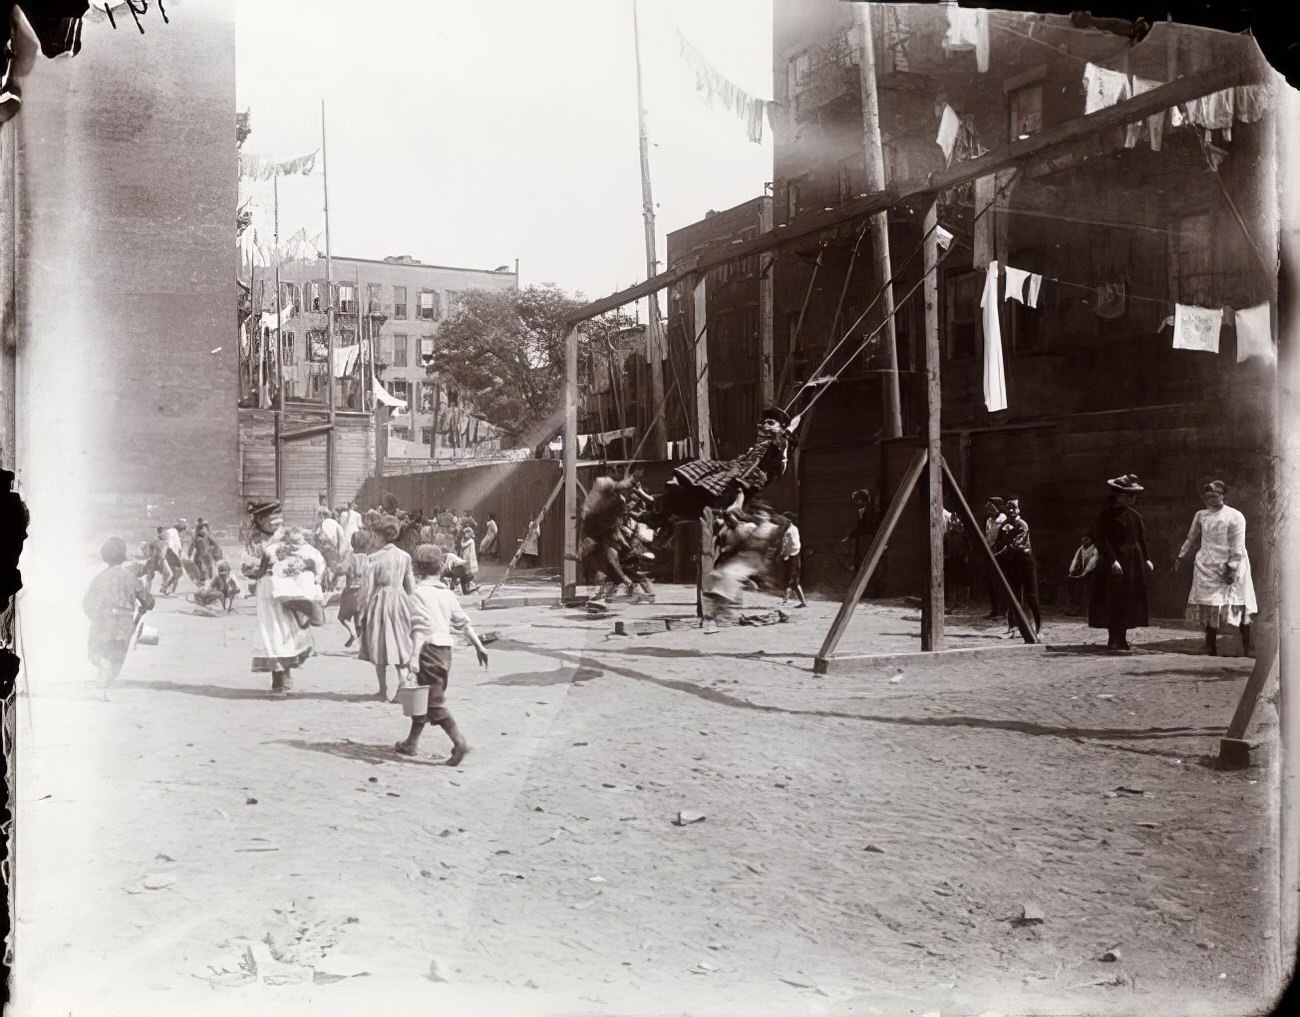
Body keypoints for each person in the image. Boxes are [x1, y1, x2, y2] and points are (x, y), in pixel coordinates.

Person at [393, 544, 489, 766]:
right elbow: (462, 622)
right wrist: (478, 646)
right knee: (425, 697)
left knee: (434, 703)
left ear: (417, 569)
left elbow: (420, 628)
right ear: (441, 568)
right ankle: (411, 742)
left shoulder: (417, 594)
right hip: (446, 651)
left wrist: (415, 656)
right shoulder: (446, 593)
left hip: (428, 650)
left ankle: (459, 742)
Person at [658, 407, 799, 522]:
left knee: (741, 479)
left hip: (754, 471)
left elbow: (780, 462)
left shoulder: (779, 444)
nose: (764, 426)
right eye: (764, 422)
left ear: (781, 428)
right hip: (738, 465)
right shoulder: (760, 442)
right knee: (707, 465)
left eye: (770, 423)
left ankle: (735, 505)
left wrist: (788, 432)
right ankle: (679, 481)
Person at [242, 502, 321, 694]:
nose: (276, 524)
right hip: (268, 589)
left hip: (288, 585)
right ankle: (279, 678)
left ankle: (285, 675)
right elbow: (247, 566)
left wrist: (298, 566)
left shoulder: (288, 537)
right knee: (272, 631)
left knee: (288, 628)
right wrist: (259, 568)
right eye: (271, 520)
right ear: (260, 521)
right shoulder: (254, 541)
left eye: (278, 519)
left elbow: (304, 554)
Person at [1175, 480, 1257, 656]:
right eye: (1208, 497)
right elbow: (1191, 537)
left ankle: (1247, 646)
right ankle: (1210, 644)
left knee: (1237, 603)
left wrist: (1233, 566)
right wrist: (1182, 555)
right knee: (1209, 604)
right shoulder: (1201, 515)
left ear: (1223, 496)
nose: (1211, 500)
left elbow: (1238, 543)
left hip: (1229, 563)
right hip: (1206, 564)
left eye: (1215, 496)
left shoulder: (1235, 516)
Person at [1088, 474, 1155, 652]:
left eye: (1132, 496)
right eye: (1127, 495)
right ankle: (1113, 638)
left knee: (1128, 599)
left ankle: (1123, 638)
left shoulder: (1135, 516)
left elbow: (1141, 539)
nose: (1131, 499)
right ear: (1117, 495)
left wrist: (1147, 558)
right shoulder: (1105, 516)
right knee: (1114, 599)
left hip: (1134, 561)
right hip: (1115, 563)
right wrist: (1113, 561)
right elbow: (1102, 541)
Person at [83, 537, 155, 698]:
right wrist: (148, 603)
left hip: (103, 619)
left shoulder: (99, 578)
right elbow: (148, 601)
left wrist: (96, 618)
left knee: (95, 653)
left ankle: (102, 673)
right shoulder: (130, 577)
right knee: (117, 657)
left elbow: (87, 603)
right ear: (123, 557)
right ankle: (105, 685)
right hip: (125, 622)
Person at [357, 515, 417, 701]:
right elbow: (411, 586)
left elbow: (367, 590)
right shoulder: (404, 557)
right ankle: (403, 683)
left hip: (380, 602)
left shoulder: (373, 558)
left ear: (380, 535)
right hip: (399, 600)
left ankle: (383, 690)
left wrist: (362, 612)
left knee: (379, 644)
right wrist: (412, 607)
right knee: (400, 642)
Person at [993, 498, 1041, 634]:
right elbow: (999, 542)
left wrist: (997, 554)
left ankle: (1038, 626)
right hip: (1012, 562)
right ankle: (1013, 625)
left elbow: (1015, 544)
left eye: (1014, 508)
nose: (1012, 511)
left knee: (1031, 594)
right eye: (1009, 509)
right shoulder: (1004, 526)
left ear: (1019, 509)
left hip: (1025, 560)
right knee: (1013, 593)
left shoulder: (1022, 525)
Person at [337, 530, 373, 648]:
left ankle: (352, 632)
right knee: (359, 617)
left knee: (343, 617)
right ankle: (361, 644)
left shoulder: (351, 557)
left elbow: (342, 569)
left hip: (351, 591)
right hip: (364, 591)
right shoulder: (368, 558)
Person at [981, 498, 1007, 619]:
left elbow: (1003, 539)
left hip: (1000, 554)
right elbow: (987, 536)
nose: (990, 510)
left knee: (1000, 582)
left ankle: (1003, 611)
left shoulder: (1003, 520)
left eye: (993, 508)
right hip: (989, 552)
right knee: (992, 582)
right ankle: (995, 609)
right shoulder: (989, 520)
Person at [1066, 535, 1099, 616]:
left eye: (1086, 540)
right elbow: (1076, 559)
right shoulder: (1081, 548)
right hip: (1084, 573)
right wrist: (1072, 570)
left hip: (1093, 572)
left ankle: (1091, 611)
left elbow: (1092, 562)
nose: (1084, 541)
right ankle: (1079, 609)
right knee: (1080, 590)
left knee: (1091, 591)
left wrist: (1085, 573)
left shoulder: (1095, 549)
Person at [780, 513, 807, 608]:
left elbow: (795, 545)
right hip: (791, 556)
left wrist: (786, 554)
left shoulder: (791, 531)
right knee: (790, 580)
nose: (782, 521)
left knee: (793, 581)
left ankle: (800, 602)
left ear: (788, 520)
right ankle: (786, 600)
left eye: (784, 519)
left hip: (793, 557)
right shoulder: (790, 529)